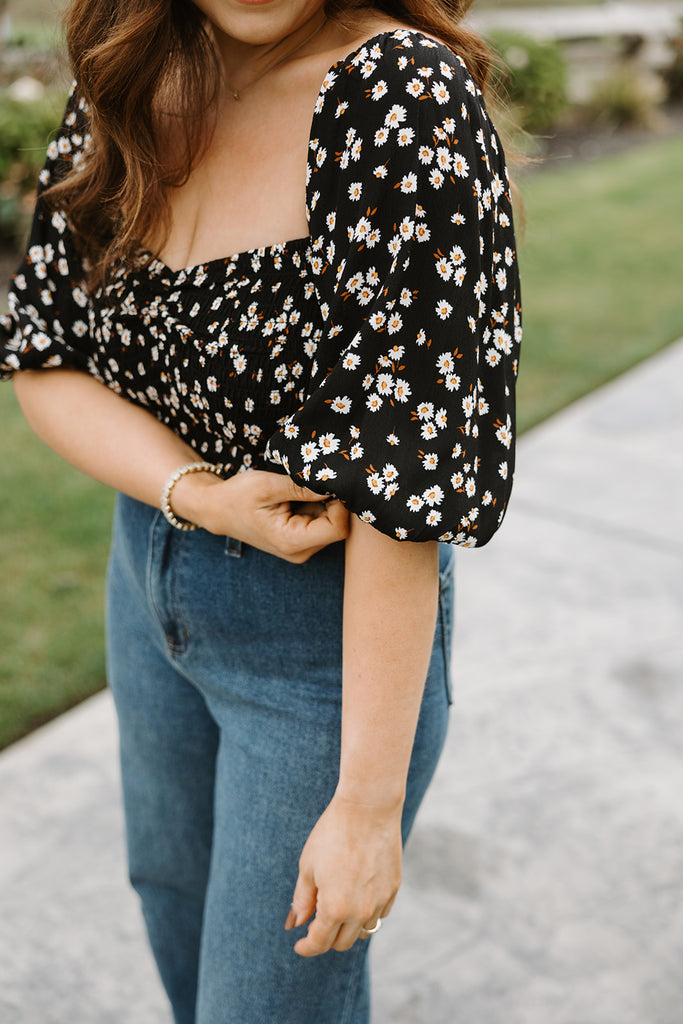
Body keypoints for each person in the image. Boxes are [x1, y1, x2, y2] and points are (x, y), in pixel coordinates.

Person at [0, 0, 521, 1021]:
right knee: (175, 917)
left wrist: (365, 807)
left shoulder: (398, 95)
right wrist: (200, 496)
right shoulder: (131, 71)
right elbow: (45, 360)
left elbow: (402, 489)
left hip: (318, 645)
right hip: (145, 579)